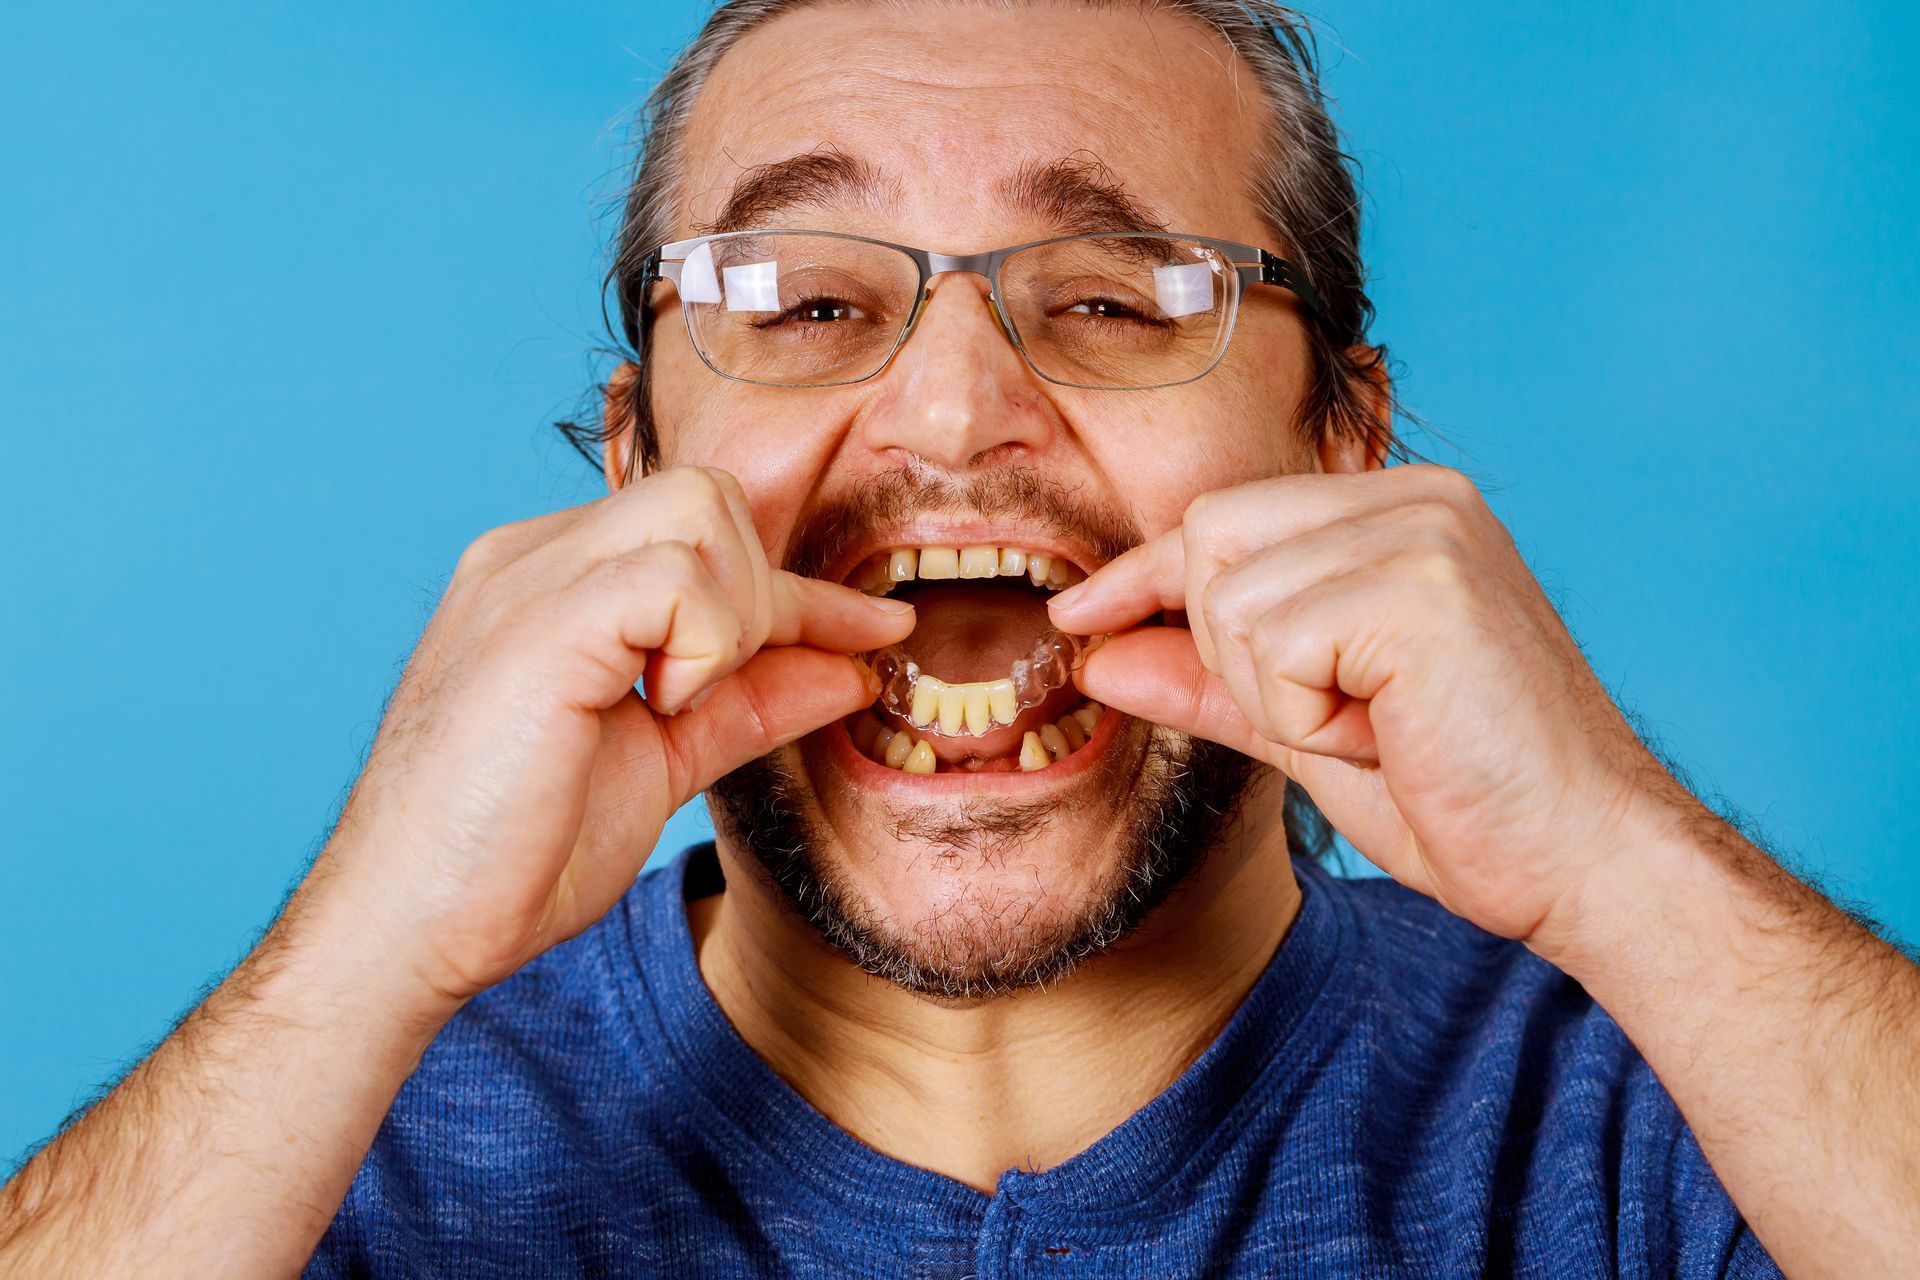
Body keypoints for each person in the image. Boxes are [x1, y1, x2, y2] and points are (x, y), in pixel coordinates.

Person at [3, 1, 1916, 1275]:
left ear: (1344, 444)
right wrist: (356, 954)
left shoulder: (1675, 1119)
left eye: (1115, 295)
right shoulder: (332, 1166)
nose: (945, 415)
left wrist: (1620, 863)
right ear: (632, 463)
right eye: (804, 303)